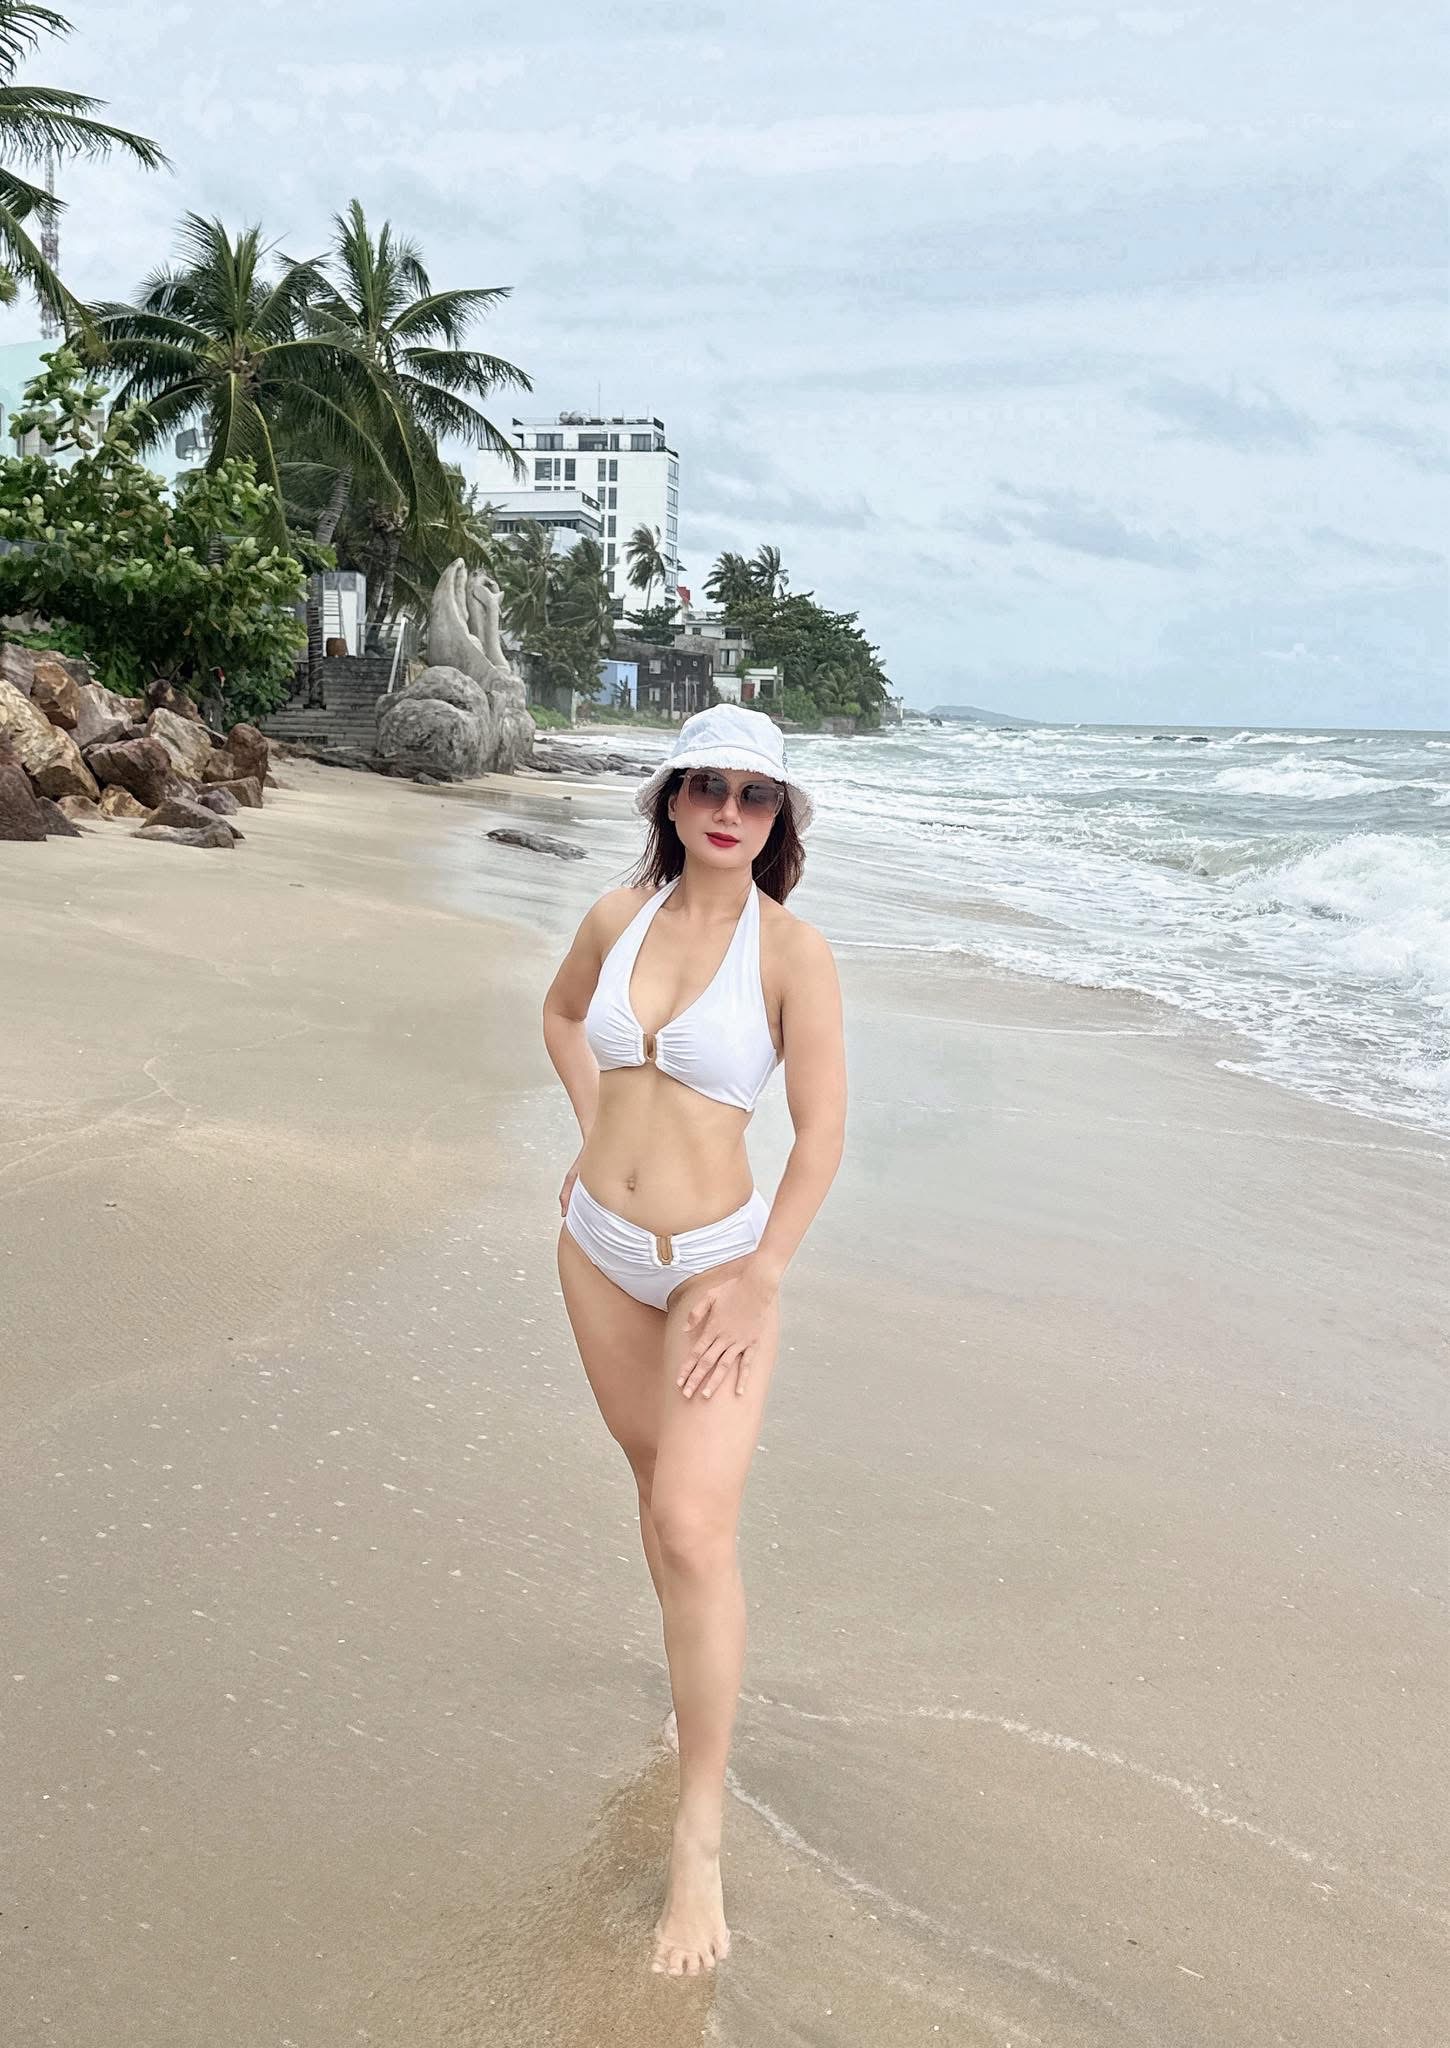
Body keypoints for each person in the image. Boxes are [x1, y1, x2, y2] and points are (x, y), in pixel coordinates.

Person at [541, 703, 847, 1976]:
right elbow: (564, 1017)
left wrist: (763, 1276)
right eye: (707, 784)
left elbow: (822, 1133)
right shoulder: (616, 916)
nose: (729, 808)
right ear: (671, 797)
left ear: (778, 819)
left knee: (690, 1521)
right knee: (650, 1483)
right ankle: (690, 1687)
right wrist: (590, 1132)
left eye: (754, 793)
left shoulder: (793, 953)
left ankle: (699, 1833)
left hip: (716, 1268)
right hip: (597, 1251)